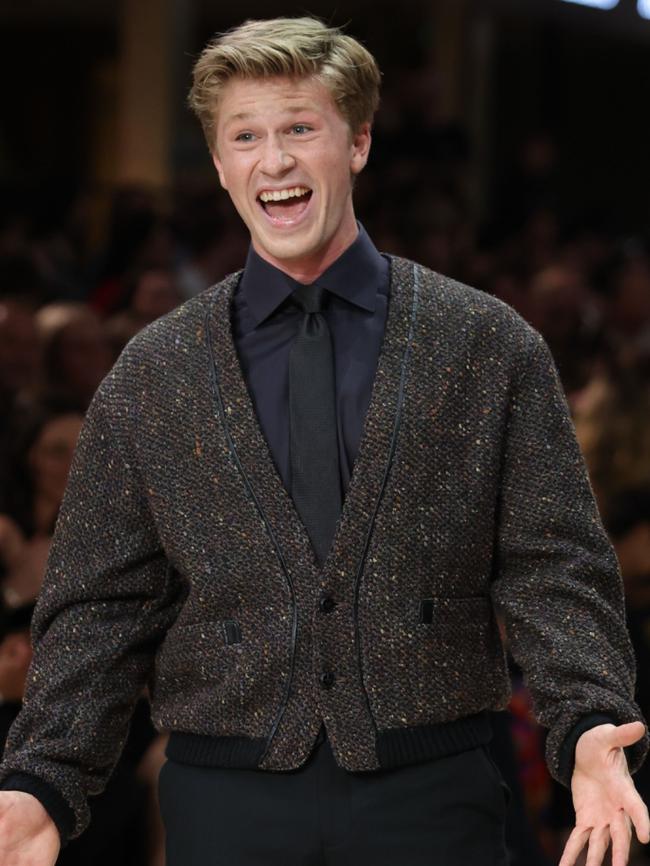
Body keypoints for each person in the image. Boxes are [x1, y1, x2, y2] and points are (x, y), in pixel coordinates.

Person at [0, 15, 647, 866]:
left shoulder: (488, 344)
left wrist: (590, 720)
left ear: (359, 143)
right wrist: (41, 778)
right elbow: (100, 605)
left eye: (301, 129)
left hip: (434, 791)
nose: (275, 160)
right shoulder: (153, 374)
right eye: (247, 136)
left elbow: (553, 564)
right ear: (223, 163)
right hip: (226, 799)